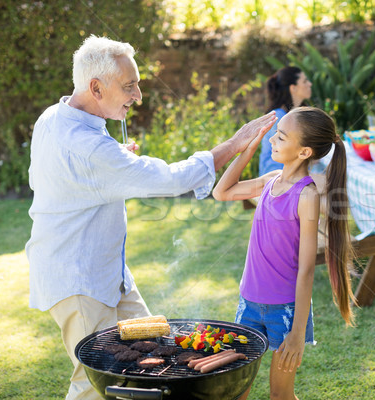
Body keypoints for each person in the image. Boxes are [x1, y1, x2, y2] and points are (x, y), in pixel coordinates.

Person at [25, 35, 276, 400]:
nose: (139, 95)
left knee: (154, 351)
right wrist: (233, 145)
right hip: (78, 280)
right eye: (129, 86)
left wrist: (114, 162)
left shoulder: (55, 117)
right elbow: (170, 180)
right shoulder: (89, 148)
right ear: (95, 87)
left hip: (109, 274)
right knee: (94, 383)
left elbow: (70, 172)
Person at [213, 106, 356, 399]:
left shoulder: (307, 195)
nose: (271, 141)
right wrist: (247, 149)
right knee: (236, 391)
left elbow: (305, 270)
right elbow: (222, 192)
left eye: (280, 137)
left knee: (280, 395)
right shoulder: (270, 180)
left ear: (304, 152)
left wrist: (297, 333)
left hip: (284, 311)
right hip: (249, 303)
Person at [259, 66, 312, 176]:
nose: (310, 84)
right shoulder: (279, 116)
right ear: (293, 88)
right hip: (275, 177)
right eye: (305, 81)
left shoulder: (295, 114)